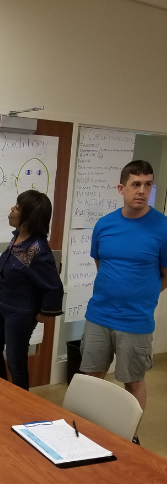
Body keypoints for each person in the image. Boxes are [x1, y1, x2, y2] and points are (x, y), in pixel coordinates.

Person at [80, 160, 167, 442]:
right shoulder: (104, 225)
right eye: (136, 184)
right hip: (99, 316)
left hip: (136, 321)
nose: (142, 191)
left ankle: (130, 436)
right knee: (91, 378)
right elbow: (100, 262)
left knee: (133, 381)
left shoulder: (162, 227)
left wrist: (143, 295)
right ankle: (88, 432)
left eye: (148, 184)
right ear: (122, 188)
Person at [0, 190, 63, 390]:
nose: (12, 209)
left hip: (21, 313)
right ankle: (4, 392)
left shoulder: (38, 250)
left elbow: (54, 288)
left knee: (15, 362)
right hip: (3, 305)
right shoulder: (18, 237)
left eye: (17, 208)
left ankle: (20, 408)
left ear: (29, 217)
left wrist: (42, 315)